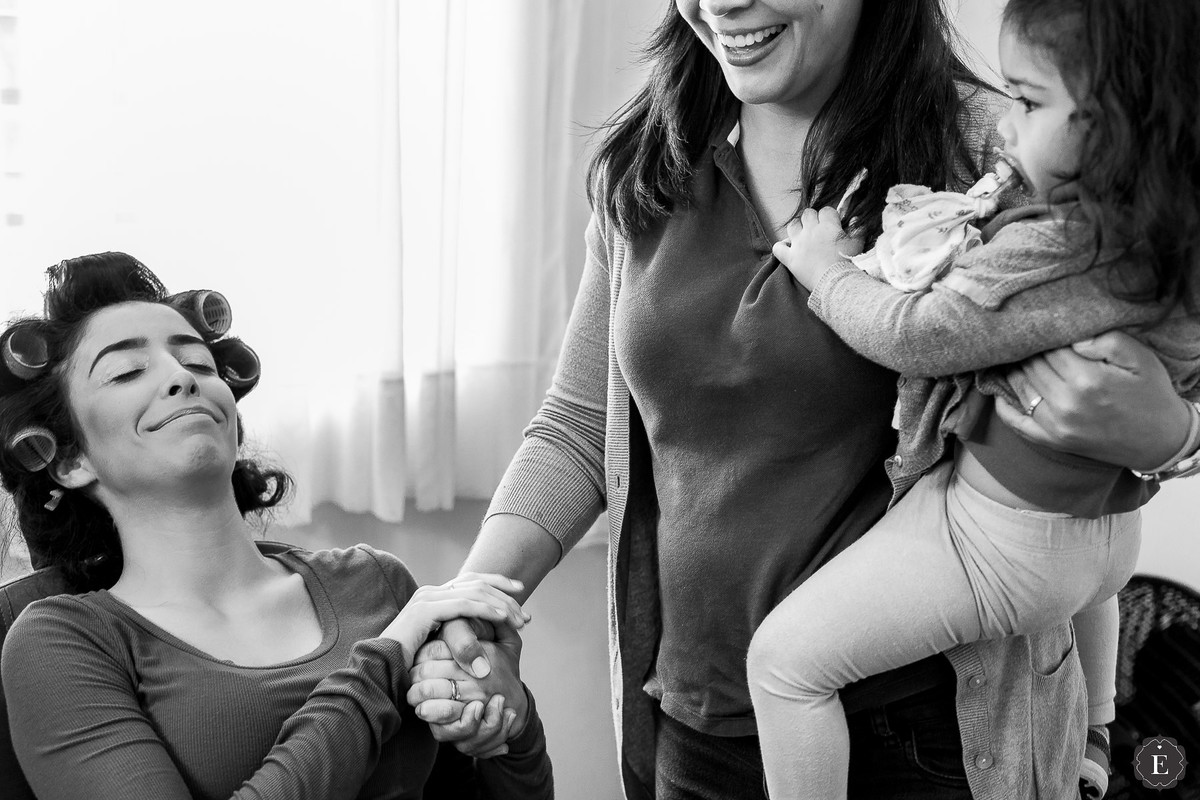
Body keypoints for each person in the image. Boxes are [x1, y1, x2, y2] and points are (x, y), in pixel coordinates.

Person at [408, 1, 1199, 798]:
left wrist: (1175, 436)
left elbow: (1148, 329)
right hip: (696, 724)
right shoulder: (643, 163)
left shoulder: (1001, 150)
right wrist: (474, 602)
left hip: (937, 739)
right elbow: (579, 425)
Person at [757, 0, 1200, 796]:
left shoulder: (1056, 247)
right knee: (1090, 593)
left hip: (1008, 544)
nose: (1006, 126)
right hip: (1108, 537)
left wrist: (827, 271)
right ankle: (1095, 739)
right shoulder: (1168, 241)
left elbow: (921, 332)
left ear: (1120, 125)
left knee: (785, 665)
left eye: (1028, 103)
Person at [0, 253, 553, 800]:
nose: (181, 380)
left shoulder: (376, 584)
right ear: (71, 460)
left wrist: (513, 724)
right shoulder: (61, 642)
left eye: (198, 364)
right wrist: (386, 660)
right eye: (126, 372)